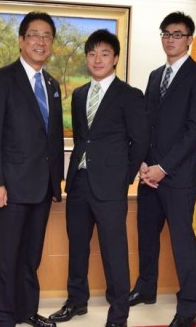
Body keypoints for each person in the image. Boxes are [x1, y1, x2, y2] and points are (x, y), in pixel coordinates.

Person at [49, 30, 149, 327]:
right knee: (77, 247)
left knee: (114, 251)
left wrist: (124, 177)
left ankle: (118, 314)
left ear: (115, 58)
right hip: (79, 182)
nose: (97, 59)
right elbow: (84, 138)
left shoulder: (130, 95)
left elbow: (140, 141)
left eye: (104, 54)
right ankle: (76, 301)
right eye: (92, 54)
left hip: (110, 186)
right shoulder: (80, 94)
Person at [0, 11, 64, 327]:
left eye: (46, 36)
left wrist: (56, 183)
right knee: (5, 258)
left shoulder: (52, 84)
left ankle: (26, 310)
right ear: (21, 40)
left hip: (41, 188)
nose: (41, 41)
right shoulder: (0, 80)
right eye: (34, 35)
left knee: (30, 256)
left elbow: (53, 138)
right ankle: (3, 318)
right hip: (9, 188)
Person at [129, 12, 196, 327]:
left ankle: (188, 307)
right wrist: (142, 162)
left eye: (177, 34)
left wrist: (163, 167)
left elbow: (194, 129)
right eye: (166, 33)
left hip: (177, 176)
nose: (170, 39)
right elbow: (145, 124)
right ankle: (146, 288)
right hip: (148, 175)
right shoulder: (155, 76)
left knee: (182, 242)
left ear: (189, 39)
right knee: (146, 236)